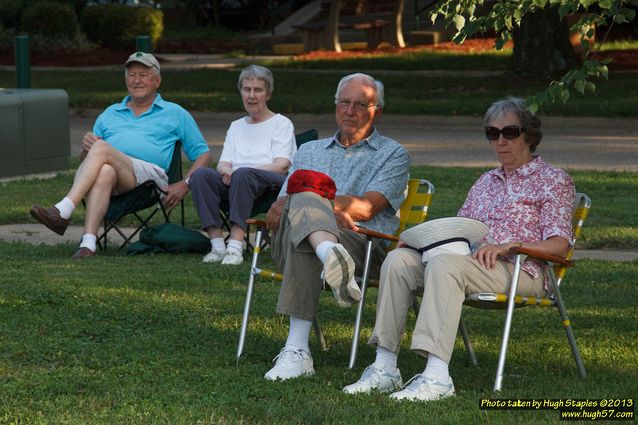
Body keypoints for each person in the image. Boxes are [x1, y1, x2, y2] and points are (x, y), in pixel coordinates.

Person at [343, 96, 576, 402]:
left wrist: (511, 246)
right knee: (400, 259)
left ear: (529, 135)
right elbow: (460, 232)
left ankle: (437, 376)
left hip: (523, 269)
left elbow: (559, 246)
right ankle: (385, 367)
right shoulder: (485, 181)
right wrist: (420, 242)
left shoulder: (553, 181)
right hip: (468, 264)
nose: (500, 141)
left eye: (509, 132)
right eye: (493, 134)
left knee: (446, 266)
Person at [262, 73, 410, 381]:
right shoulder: (309, 151)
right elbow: (280, 207)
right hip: (294, 239)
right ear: (335, 105)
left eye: (360, 104)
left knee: (306, 221)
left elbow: (368, 207)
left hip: (361, 245)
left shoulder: (393, 154)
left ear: (377, 111)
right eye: (344, 102)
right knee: (304, 210)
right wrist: (328, 208)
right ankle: (330, 253)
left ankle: (297, 349)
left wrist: (315, 202)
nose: (350, 110)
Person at [29, 52, 212, 259]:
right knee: (104, 168)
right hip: (115, 180)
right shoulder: (110, 113)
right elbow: (86, 163)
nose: (137, 80)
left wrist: (184, 184)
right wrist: (86, 149)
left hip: (151, 182)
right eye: (131, 75)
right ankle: (88, 244)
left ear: (157, 80)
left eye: (143, 74)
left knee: (102, 148)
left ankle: (63, 209)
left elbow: (204, 155)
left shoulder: (175, 113)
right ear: (126, 81)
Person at [189, 65, 296, 266]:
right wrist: (227, 170)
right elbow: (223, 162)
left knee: (244, 174)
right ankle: (217, 245)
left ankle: (235, 247)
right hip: (236, 182)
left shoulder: (281, 123)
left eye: (258, 90)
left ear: (268, 94)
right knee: (201, 175)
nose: (251, 96)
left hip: (272, 183)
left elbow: (282, 165)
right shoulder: (236, 126)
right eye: (247, 89)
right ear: (241, 92)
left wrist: (240, 172)